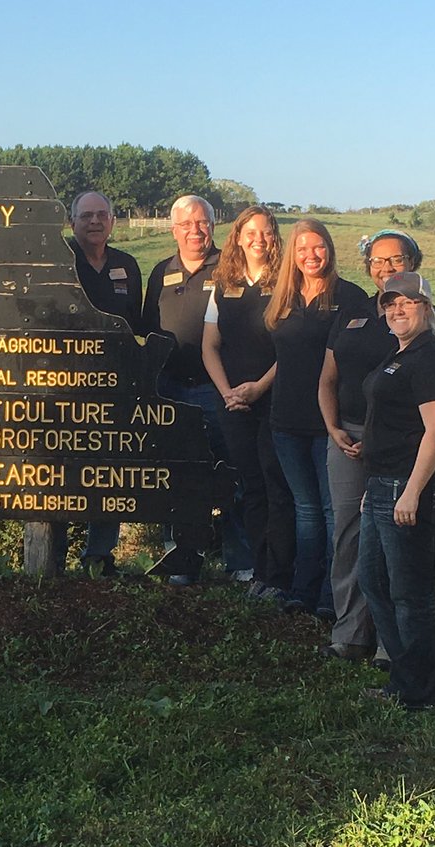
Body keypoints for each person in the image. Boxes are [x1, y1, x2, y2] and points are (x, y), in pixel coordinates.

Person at [318, 231, 435, 663]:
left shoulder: (429, 327)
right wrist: (334, 427)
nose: (386, 268)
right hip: (351, 438)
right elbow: (328, 378)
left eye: (396, 260)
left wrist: (413, 483)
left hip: (399, 455)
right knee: (350, 538)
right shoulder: (356, 312)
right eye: (377, 261)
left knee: (398, 561)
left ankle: (393, 651)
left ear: (413, 263)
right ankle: (351, 632)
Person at [358, 272, 435, 709]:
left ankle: (423, 690)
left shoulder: (430, 358)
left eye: (408, 302)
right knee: (373, 580)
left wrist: (413, 491)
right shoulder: (399, 355)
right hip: (380, 485)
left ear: (427, 309)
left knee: (408, 593)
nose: (397, 309)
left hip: (405, 487)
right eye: (390, 303)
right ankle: (403, 679)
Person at [143, 195, 252, 585]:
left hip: (216, 390)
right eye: (185, 224)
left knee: (232, 472)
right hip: (170, 389)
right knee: (177, 476)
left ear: (214, 224)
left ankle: (241, 561)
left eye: (202, 222)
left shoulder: (231, 268)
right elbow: (148, 332)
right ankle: (182, 560)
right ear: (172, 229)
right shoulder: (160, 272)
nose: (194, 230)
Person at [265, 219, 368, 619]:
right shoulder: (283, 296)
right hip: (285, 419)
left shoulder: (350, 297)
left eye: (319, 247)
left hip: (331, 423)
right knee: (304, 510)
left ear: (330, 249)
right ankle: (301, 591)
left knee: (333, 514)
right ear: (294, 252)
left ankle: (331, 598)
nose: (311, 255)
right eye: (303, 248)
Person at [202, 205, 295, 599]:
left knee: (278, 488)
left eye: (266, 232)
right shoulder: (222, 283)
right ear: (237, 237)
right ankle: (260, 571)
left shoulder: (288, 283)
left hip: (275, 400)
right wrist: (227, 393)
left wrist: (258, 387)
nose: (259, 239)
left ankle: (282, 576)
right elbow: (210, 346)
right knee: (251, 488)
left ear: (275, 238)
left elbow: (291, 349)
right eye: (250, 232)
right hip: (234, 405)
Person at [61, 190, 145, 575]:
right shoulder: (58, 261)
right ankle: (54, 554)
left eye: (102, 215)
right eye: (87, 216)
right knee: (61, 471)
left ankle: (99, 555)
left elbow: (138, 327)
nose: (95, 222)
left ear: (112, 221)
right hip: (62, 385)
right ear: (72, 220)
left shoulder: (127, 266)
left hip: (115, 386)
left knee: (111, 467)